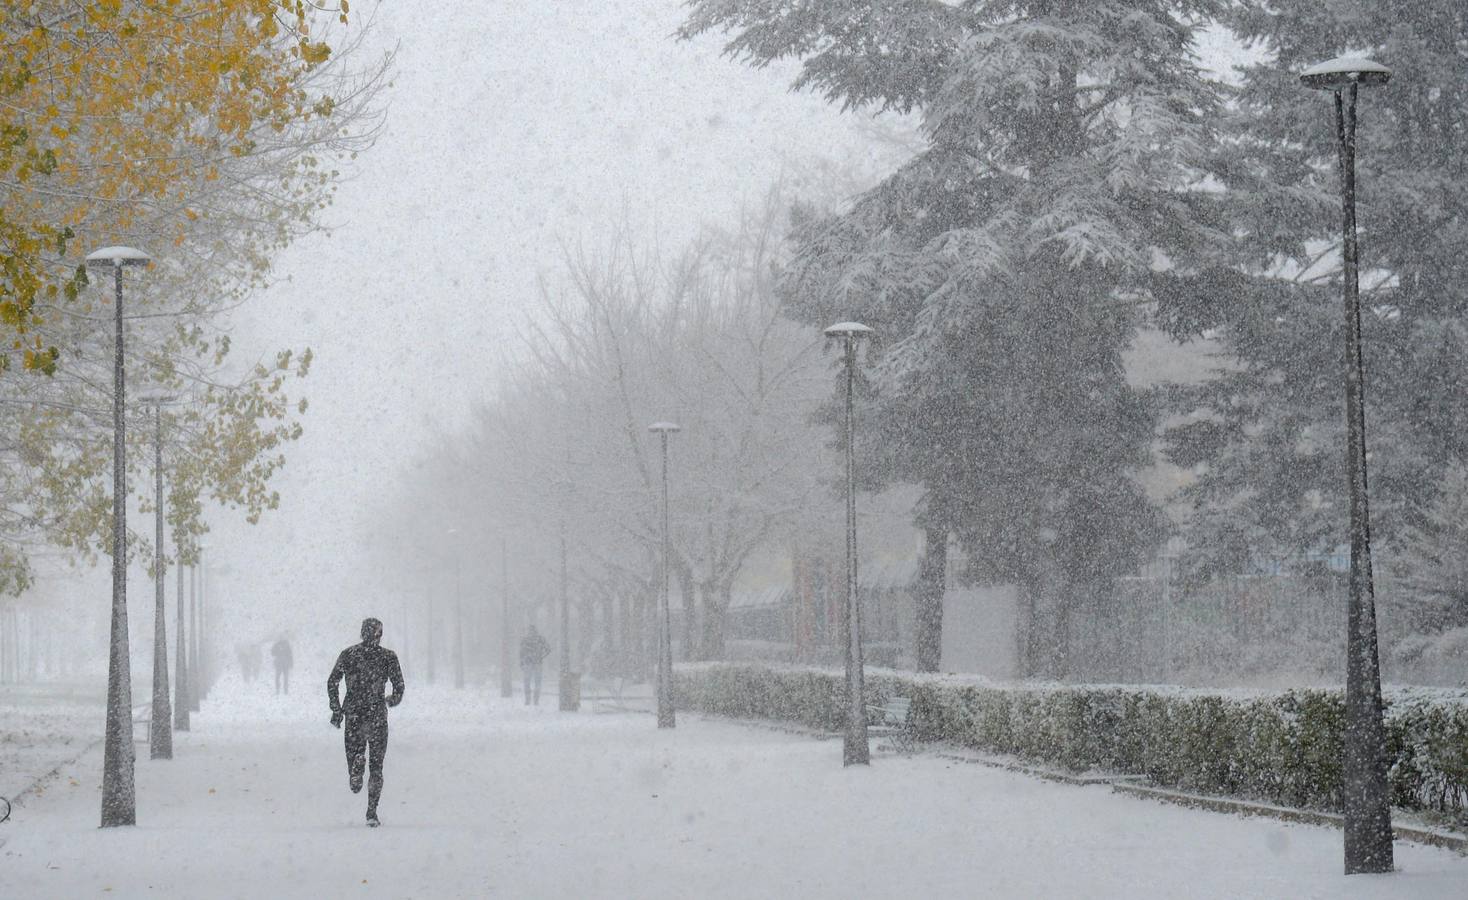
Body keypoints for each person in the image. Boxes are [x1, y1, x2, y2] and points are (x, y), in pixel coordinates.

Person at [327, 618, 404, 827]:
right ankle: (371, 812)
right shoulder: (388, 657)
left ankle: (356, 766)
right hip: (377, 714)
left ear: (362, 634)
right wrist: (392, 699)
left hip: (354, 714)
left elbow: (332, 681)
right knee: (377, 767)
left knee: (353, 759)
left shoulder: (349, 655)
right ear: (380, 635)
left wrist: (336, 709)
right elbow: (399, 686)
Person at [519, 624, 551, 706]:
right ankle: (535, 700)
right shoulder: (540, 639)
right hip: (537, 663)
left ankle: (528, 699)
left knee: (527, 681)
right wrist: (541, 656)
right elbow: (548, 649)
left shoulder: (525, 639)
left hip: (528, 663)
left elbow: (521, 652)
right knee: (537, 682)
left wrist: (522, 662)